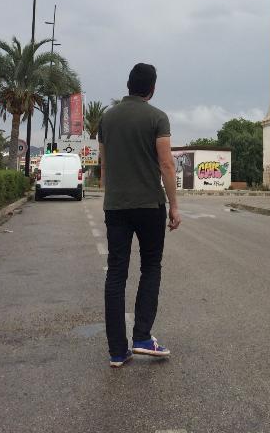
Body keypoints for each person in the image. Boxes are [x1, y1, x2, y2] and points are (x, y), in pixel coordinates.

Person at [98, 63, 181, 368]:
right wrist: (174, 206)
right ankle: (143, 337)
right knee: (150, 268)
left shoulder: (106, 118)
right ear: (152, 88)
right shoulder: (157, 117)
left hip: (116, 207)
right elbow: (167, 164)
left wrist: (114, 192)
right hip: (149, 206)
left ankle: (118, 351)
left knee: (116, 273)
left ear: (128, 84)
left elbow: (104, 166)